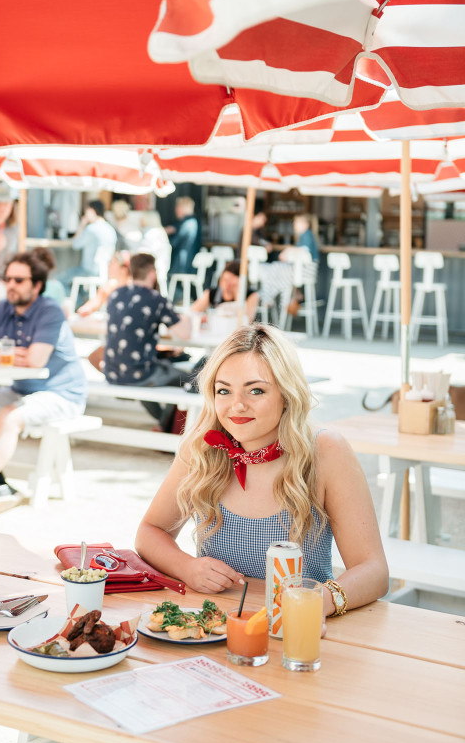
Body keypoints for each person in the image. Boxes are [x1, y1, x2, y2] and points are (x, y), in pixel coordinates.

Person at [136, 324, 389, 618]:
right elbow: (149, 532)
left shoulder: (326, 451)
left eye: (256, 390)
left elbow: (374, 571)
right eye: (224, 391)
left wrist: (320, 601)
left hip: (300, 630)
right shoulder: (202, 447)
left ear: (286, 393)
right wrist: (187, 567)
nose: (237, 405)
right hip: (215, 628)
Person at [0, 251, 87, 510]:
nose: (10, 285)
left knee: (8, 417)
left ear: (37, 285)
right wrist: (1, 355)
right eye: (7, 278)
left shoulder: (50, 311)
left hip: (63, 394)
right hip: (22, 389)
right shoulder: (3, 309)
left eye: (19, 280)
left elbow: (35, 360)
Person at [104, 252, 197, 430]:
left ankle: (163, 424)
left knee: (153, 374)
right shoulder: (156, 299)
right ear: (152, 273)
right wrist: (189, 318)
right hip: (140, 373)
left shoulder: (115, 294)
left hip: (112, 371)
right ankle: (166, 426)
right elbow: (184, 334)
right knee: (191, 380)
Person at [259, 213, 320, 315]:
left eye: (297, 223)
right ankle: (291, 296)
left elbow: (304, 250)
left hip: (305, 271)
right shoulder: (305, 235)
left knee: (276, 268)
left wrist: (288, 250)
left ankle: (269, 298)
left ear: (305, 224)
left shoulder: (307, 235)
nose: (294, 225)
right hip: (301, 271)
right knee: (279, 273)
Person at [60, 199, 117, 295]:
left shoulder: (91, 229)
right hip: (104, 272)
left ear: (92, 211)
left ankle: (77, 304)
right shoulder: (110, 229)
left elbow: (75, 244)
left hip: (89, 270)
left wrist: (82, 224)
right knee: (81, 287)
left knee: (59, 281)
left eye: (86, 211)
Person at [192, 259, 260, 322]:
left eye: (232, 284)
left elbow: (247, 320)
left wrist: (238, 295)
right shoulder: (213, 293)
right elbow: (193, 311)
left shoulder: (252, 295)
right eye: (225, 280)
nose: (226, 286)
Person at [165, 196, 201, 277]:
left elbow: (173, 243)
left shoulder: (187, 224)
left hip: (182, 265)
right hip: (188, 263)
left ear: (182, 208)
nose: (175, 210)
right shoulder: (193, 222)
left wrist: (163, 234)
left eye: (177, 207)